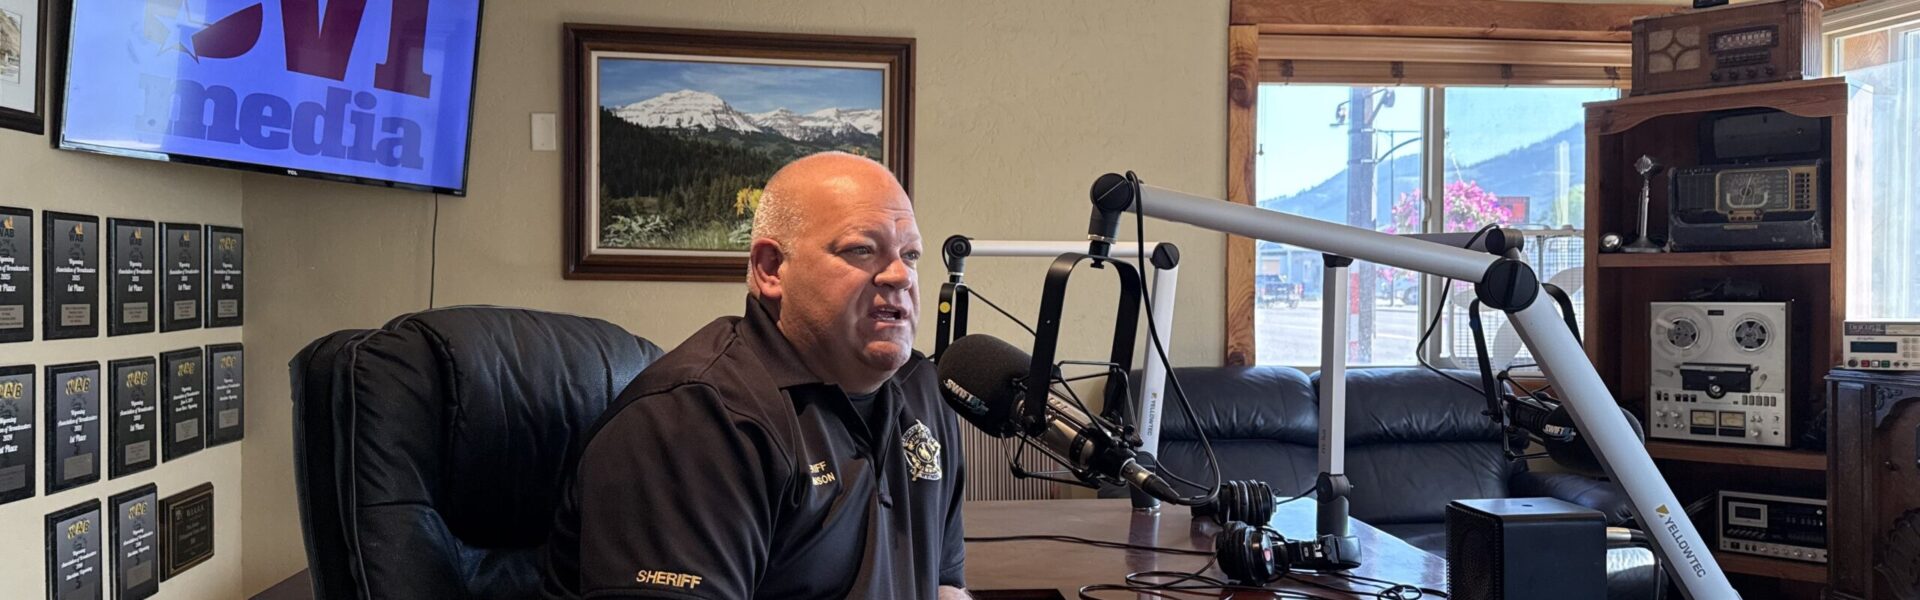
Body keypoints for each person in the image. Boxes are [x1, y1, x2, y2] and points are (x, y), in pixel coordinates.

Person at [544, 152, 969, 599]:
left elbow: (944, 585)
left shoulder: (923, 389)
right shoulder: (695, 420)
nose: (900, 276)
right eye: (861, 249)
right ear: (770, 269)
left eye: (910, 255)